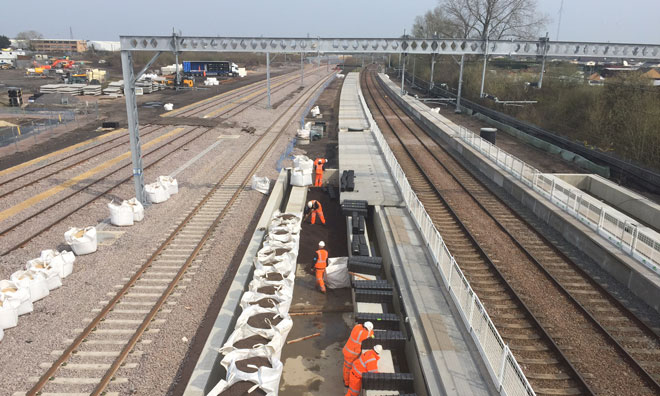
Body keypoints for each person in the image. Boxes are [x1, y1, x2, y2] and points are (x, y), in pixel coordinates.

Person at [342, 322, 375, 386]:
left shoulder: (357, 326)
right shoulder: (363, 334)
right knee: (348, 369)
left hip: (347, 350)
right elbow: (371, 334)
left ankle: (345, 379)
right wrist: (372, 333)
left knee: (346, 367)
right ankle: (346, 383)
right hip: (351, 354)